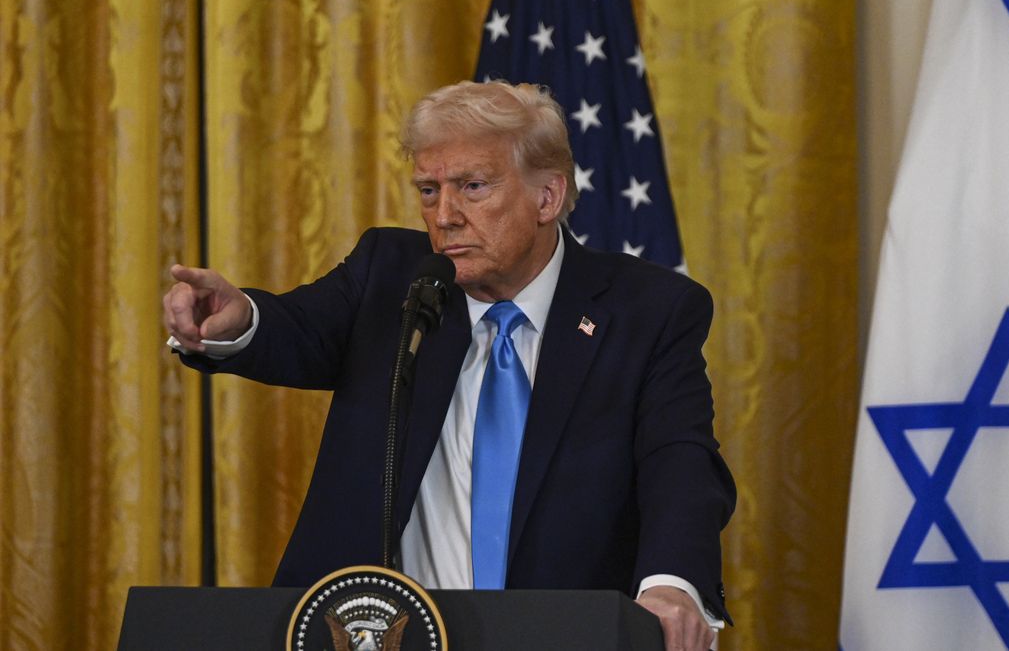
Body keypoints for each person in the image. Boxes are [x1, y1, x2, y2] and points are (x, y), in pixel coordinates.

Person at [164, 80, 735, 651]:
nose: (444, 216)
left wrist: (672, 585)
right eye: (429, 190)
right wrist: (237, 319)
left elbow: (679, 461)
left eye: (473, 186)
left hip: (560, 635)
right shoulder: (392, 276)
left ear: (547, 197)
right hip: (380, 634)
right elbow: (295, 328)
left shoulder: (647, 310)